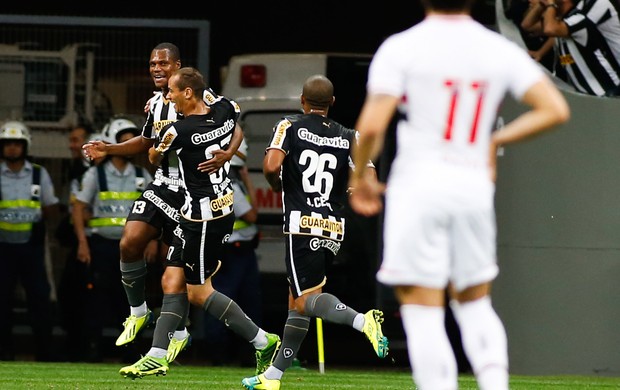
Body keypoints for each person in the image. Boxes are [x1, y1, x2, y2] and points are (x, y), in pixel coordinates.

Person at [347, 0, 570, 388]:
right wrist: (494, 138)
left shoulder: (402, 47)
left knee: (421, 310)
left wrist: (363, 176)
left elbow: (369, 129)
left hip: (417, 187)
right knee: (475, 303)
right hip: (472, 188)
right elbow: (554, 109)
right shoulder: (496, 48)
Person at [82, 42, 243, 366]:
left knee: (176, 279)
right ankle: (139, 312)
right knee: (130, 241)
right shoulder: (156, 103)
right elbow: (146, 143)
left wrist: (228, 152)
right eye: (152, 63)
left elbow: (234, 124)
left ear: (178, 67)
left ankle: (179, 333)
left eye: (162, 63)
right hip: (163, 187)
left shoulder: (202, 97)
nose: (156, 68)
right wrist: (109, 149)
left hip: (193, 196)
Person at [118, 66, 280, 379]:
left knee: (198, 293)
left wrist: (160, 134)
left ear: (188, 93)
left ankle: (263, 340)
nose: (169, 97)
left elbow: (152, 156)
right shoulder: (225, 109)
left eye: (173, 92)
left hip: (204, 218)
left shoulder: (178, 130)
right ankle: (156, 354)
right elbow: (237, 131)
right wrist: (227, 154)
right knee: (171, 281)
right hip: (213, 210)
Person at [241, 75, 389, 390]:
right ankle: (274, 376)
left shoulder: (289, 127)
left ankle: (364, 321)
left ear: (302, 101)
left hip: (301, 223)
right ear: (332, 103)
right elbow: (367, 175)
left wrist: (277, 184)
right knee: (298, 301)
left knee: (307, 300)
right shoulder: (350, 135)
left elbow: (270, 166)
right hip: (333, 227)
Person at [72, 117, 154, 362]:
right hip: (102, 248)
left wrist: (152, 241)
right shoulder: (95, 175)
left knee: (132, 301)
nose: (130, 144)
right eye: (124, 140)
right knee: (97, 298)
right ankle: (93, 350)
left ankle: (131, 351)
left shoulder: (142, 175)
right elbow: (78, 207)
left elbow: (156, 211)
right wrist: (83, 243)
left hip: (133, 249)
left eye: (133, 139)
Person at [0, 120, 60, 361]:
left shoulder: (38, 173)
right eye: (8, 144)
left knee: (39, 299)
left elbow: (51, 206)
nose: (13, 148)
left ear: (25, 146)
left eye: (17, 143)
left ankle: (44, 353)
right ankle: (4, 352)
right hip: (2, 248)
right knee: (2, 301)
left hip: (31, 247)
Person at [204, 137, 263, 366]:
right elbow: (252, 216)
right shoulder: (231, 185)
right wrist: (248, 180)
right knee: (235, 303)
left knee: (232, 302)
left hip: (232, 251)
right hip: (234, 253)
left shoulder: (217, 182)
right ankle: (225, 353)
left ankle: (223, 353)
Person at [56, 122, 98, 361]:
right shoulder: (75, 168)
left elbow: (84, 208)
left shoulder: (93, 169)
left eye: (76, 140)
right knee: (70, 293)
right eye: (71, 140)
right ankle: (74, 345)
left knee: (87, 296)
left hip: (95, 239)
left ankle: (85, 348)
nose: (72, 145)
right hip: (79, 239)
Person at [520, 0, 620, 96]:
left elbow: (550, 29)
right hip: (584, 92)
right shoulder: (561, 21)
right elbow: (527, 25)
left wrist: (551, 4)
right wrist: (542, 3)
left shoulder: (580, 19)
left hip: (605, 91)